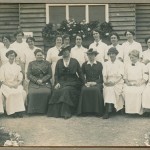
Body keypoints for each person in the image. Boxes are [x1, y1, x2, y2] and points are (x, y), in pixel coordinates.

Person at [47, 46, 84, 119]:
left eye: (66, 51)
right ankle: (56, 112)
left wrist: (84, 82)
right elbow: (56, 74)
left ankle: (66, 112)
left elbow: (80, 73)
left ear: (69, 52)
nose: (65, 53)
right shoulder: (59, 62)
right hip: (61, 82)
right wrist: (57, 83)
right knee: (56, 91)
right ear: (62, 53)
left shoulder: (74, 61)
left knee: (66, 90)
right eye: (63, 51)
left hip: (73, 82)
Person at [77, 48, 104, 116]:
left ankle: (97, 111)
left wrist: (96, 83)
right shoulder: (84, 64)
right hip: (87, 82)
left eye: (92, 55)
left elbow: (102, 77)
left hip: (96, 83)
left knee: (96, 90)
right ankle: (85, 111)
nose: (90, 56)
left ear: (95, 55)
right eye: (89, 55)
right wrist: (85, 82)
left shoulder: (99, 64)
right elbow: (81, 75)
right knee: (84, 90)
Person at [0, 50, 26, 117]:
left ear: (15, 57)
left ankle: (19, 111)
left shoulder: (17, 66)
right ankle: (11, 112)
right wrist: (9, 85)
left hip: (16, 84)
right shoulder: (3, 67)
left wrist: (16, 84)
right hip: (6, 85)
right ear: (7, 56)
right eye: (10, 55)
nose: (12, 57)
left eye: (13, 55)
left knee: (19, 92)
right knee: (11, 93)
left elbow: (20, 77)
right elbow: (2, 79)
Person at [27, 49, 52, 114]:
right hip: (34, 82)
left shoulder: (47, 63)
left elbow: (50, 74)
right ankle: (33, 111)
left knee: (47, 92)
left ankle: (45, 111)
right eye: (38, 55)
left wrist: (42, 80)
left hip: (45, 81)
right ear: (35, 56)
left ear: (43, 56)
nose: (39, 56)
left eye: (41, 55)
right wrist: (36, 80)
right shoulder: (31, 63)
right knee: (32, 93)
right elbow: (29, 75)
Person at [123, 50, 148, 115]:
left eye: (133, 57)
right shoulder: (127, 65)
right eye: (130, 57)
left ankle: (137, 111)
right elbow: (125, 76)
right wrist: (127, 82)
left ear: (137, 57)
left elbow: (145, 77)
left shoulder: (142, 65)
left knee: (137, 92)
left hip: (139, 83)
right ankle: (129, 111)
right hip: (129, 84)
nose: (131, 59)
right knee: (127, 91)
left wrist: (140, 83)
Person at [103, 47, 124, 119]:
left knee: (110, 89)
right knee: (108, 88)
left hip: (118, 82)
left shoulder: (120, 63)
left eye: (113, 53)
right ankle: (108, 108)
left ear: (116, 54)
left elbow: (121, 76)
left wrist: (114, 82)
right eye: (110, 54)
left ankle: (107, 110)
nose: (111, 55)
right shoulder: (106, 64)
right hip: (108, 81)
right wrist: (105, 81)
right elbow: (104, 75)